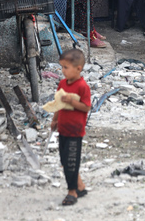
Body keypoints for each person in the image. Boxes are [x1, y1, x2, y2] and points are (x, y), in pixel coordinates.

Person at [50, 49, 91, 206]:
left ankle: (72, 192)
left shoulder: (82, 87)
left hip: (75, 130)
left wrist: (72, 102)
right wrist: (55, 120)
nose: (63, 71)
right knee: (64, 160)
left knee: (71, 161)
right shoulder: (62, 84)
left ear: (78, 68)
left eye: (66, 67)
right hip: (63, 128)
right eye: (62, 67)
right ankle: (80, 186)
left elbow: (86, 107)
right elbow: (59, 104)